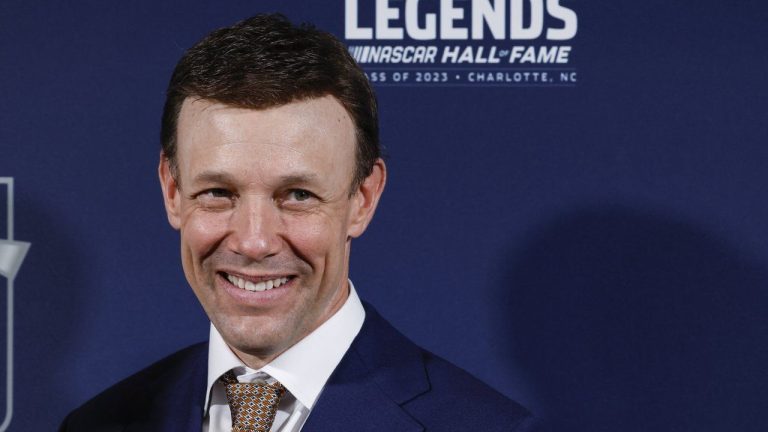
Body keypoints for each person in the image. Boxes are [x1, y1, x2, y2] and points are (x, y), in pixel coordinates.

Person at [60, 13, 539, 431]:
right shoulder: (99, 423)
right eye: (218, 193)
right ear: (172, 191)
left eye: (297, 196)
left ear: (363, 199)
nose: (253, 240)